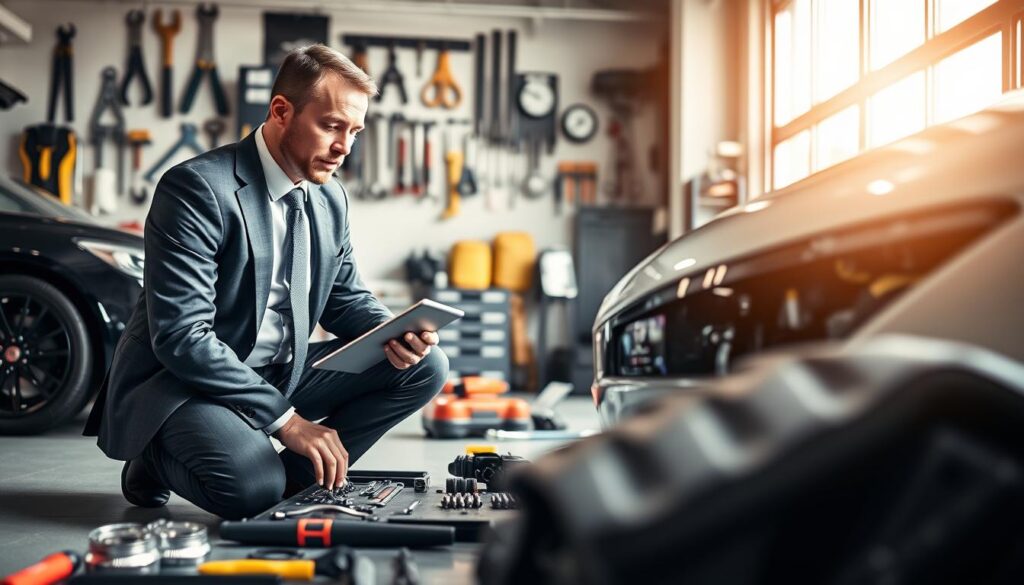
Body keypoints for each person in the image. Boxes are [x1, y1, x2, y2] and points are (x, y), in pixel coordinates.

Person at [83, 45, 448, 520]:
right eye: (332, 126)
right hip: (184, 383)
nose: (345, 147)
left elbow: (345, 297)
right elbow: (182, 337)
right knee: (251, 491)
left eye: (354, 131)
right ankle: (154, 455)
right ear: (281, 111)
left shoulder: (329, 198)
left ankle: (292, 482)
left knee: (426, 366)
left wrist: (396, 332)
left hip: (279, 370)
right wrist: (289, 423)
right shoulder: (196, 189)